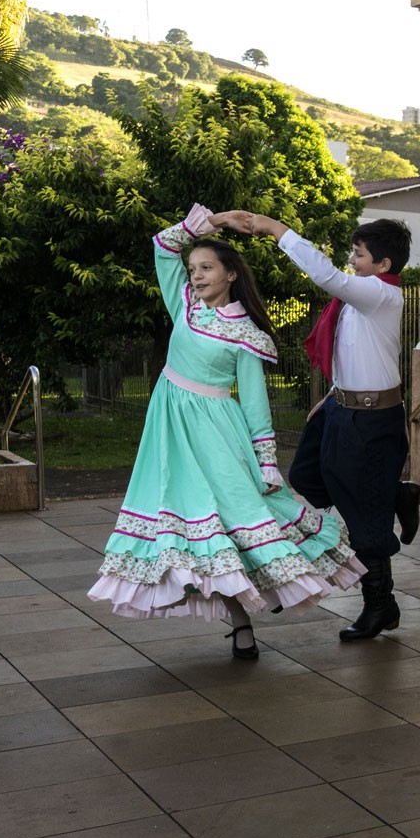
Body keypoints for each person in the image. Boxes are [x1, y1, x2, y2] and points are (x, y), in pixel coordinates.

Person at [89, 206, 363, 658]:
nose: (195, 276)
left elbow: (256, 406)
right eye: (193, 268)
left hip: (218, 437)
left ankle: (249, 618)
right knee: (188, 528)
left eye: (206, 268)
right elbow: (162, 245)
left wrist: (268, 462)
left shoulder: (247, 336)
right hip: (169, 436)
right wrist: (215, 221)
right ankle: (240, 627)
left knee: (230, 526)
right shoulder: (184, 306)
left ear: (231, 274)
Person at [219, 211, 420, 641]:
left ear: (383, 265)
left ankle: (380, 605)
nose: (353, 260)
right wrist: (331, 397)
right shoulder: (359, 300)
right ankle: (397, 494)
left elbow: (327, 275)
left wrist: (275, 229)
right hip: (342, 408)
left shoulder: (380, 295)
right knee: (305, 475)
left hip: (372, 421)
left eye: (360, 254)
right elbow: (358, 356)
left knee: (365, 516)